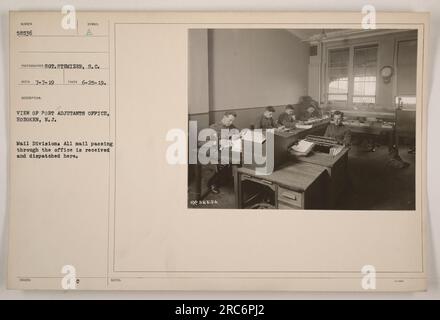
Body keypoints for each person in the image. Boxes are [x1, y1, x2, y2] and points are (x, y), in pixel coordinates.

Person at [207, 111, 239, 194]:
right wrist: (219, 142)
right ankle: (212, 183)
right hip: (215, 151)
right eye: (229, 120)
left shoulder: (232, 126)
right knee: (224, 163)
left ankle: (228, 178)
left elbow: (236, 134)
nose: (231, 123)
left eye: (232, 121)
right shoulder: (214, 127)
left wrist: (238, 136)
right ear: (224, 117)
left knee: (238, 160)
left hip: (228, 150)